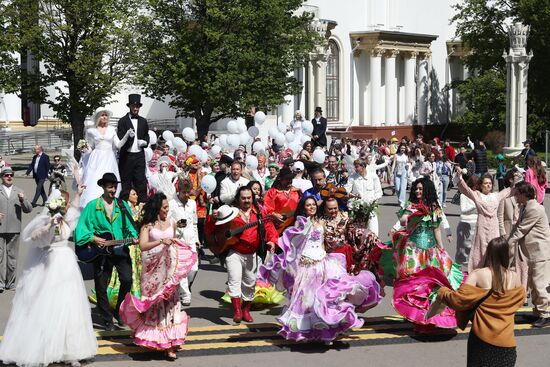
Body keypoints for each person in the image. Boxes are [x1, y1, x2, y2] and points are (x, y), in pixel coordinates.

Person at [259, 197, 381, 342]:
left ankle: (326, 331)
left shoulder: (322, 222)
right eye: (308, 205)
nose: (311, 207)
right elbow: (294, 245)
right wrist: (292, 264)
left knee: (322, 298)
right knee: (305, 300)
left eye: (313, 205)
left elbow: (327, 241)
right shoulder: (300, 222)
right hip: (306, 265)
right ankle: (307, 331)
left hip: (323, 263)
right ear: (303, 208)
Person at [0, 185, 97, 367]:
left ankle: (70, 351)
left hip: (67, 264)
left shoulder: (67, 220)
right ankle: (46, 347)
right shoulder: (48, 219)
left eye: (67, 204)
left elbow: (75, 210)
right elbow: (33, 237)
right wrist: (50, 225)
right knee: (50, 305)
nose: (68, 207)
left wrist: (79, 193)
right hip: (51, 264)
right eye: (65, 203)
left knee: (70, 305)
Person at [120, 193, 197, 360]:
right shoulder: (147, 226)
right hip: (153, 272)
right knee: (156, 305)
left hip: (170, 271)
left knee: (172, 304)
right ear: (156, 208)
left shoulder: (172, 223)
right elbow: (143, 245)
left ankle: (171, 345)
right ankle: (157, 340)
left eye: (167, 207)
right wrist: (161, 242)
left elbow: (174, 243)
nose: (167, 210)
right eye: (164, 208)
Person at [386, 177, 464, 331]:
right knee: (415, 287)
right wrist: (409, 216)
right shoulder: (411, 205)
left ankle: (431, 318)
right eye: (416, 189)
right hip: (413, 252)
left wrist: (441, 248)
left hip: (431, 251)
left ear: (427, 190)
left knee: (433, 287)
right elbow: (403, 221)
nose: (417, 191)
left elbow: (436, 229)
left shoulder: (434, 207)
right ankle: (418, 319)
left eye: (420, 189)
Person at [437, 236, 525, 367]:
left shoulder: (478, 275)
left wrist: (442, 292)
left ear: (488, 253)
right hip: (507, 343)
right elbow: (520, 300)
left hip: (482, 340)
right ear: (506, 254)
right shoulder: (515, 278)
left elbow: (458, 300)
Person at [74, 172, 139, 331]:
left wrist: (134, 238)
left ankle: (117, 310)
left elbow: (130, 228)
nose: (113, 190)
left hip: (120, 250)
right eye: (110, 187)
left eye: (115, 187)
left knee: (127, 280)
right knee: (101, 286)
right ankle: (106, 318)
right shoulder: (92, 206)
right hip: (101, 252)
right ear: (103, 187)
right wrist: (93, 238)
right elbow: (80, 229)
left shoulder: (122, 205)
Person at [209, 187, 278, 323]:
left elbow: (269, 227)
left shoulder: (259, 212)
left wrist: (272, 241)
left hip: (252, 254)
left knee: (250, 283)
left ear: (252, 198)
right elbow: (215, 228)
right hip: (234, 252)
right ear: (238, 199)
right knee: (234, 280)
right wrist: (213, 217)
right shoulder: (231, 212)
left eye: (248, 197)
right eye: (243, 198)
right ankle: (237, 311)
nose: (246, 200)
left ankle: (246, 310)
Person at [507, 182, 550, 327]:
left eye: (517, 194)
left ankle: (545, 314)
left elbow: (521, 230)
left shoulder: (535, 209)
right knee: (533, 283)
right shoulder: (525, 206)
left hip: (539, 252)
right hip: (531, 252)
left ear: (524, 194)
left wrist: (507, 244)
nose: (515, 196)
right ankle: (538, 312)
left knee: (539, 284)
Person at [454, 170, 513, 273]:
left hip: (494, 228)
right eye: (486, 183)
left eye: (490, 183)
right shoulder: (477, 195)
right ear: (481, 185)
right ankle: (479, 273)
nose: (488, 185)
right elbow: (465, 189)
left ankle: (494, 274)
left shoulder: (496, 196)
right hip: (481, 226)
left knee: (494, 250)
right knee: (480, 250)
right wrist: (459, 177)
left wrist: (517, 179)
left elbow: (509, 191)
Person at [80, 107, 134, 208]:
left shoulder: (112, 129)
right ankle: (93, 206)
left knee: (110, 180)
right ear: (98, 117)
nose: (104, 117)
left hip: (109, 158)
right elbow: (90, 147)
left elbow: (118, 145)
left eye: (106, 115)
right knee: (93, 180)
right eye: (102, 115)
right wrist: (84, 149)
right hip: (96, 158)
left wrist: (126, 135)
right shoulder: (91, 131)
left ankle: (110, 203)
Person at [0, 167, 33, 292]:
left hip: (14, 228)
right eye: (6, 175)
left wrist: (22, 199)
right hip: (0, 228)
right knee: (0, 257)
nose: (9, 177)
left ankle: (11, 282)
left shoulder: (19, 191)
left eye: (11, 175)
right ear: (2, 177)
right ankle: (0, 283)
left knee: (12, 257)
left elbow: (28, 209)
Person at [169, 178, 200, 306]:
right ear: (179, 191)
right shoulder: (171, 204)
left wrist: (197, 239)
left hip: (191, 239)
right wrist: (176, 225)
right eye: (184, 192)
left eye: (189, 192)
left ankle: (186, 286)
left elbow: (194, 223)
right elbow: (166, 222)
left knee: (193, 268)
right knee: (181, 268)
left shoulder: (192, 203)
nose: (187, 195)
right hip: (178, 240)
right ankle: (185, 294)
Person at [497, 169, 528, 292]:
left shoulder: (524, 197)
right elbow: (499, 216)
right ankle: (504, 283)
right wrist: (502, 232)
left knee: (519, 261)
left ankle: (518, 285)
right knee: (507, 260)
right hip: (508, 231)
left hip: (520, 232)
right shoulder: (504, 197)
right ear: (511, 180)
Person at [117, 94, 150, 203]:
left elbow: (146, 136)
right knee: (125, 182)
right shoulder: (122, 121)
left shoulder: (143, 121)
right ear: (130, 106)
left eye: (137, 106)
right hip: (127, 156)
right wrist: (127, 137)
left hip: (139, 155)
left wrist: (145, 142)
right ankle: (124, 207)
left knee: (141, 182)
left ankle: (142, 207)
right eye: (133, 106)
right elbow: (119, 139)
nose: (135, 108)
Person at [346, 158, 384, 235]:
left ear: (363, 166)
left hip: (370, 207)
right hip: (357, 207)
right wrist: (349, 194)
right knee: (357, 229)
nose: (355, 169)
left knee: (372, 228)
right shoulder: (352, 177)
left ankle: (373, 242)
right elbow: (347, 188)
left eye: (357, 167)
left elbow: (379, 192)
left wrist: (371, 201)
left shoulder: (373, 176)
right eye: (355, 167)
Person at [263, 168, 300, 234]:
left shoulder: (297, 192)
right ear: (280, 180)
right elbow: (266, 208)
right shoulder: (272, 192)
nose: (289, 181)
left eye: (290, 179)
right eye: (287, 179)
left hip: (294, 227)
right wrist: (274, 215)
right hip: (278, 227)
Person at [455, 175, 479, 272]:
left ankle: (472, 271)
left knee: (474, 249)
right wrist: (475, 205)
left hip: (477, 223)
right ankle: (458, 270)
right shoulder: (463, 195)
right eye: (475, 186)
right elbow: (463, 210)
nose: (476, 188)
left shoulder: (478, 194)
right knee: (462, 249)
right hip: (465, 223)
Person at [392, 143, 410, 207]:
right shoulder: (396, 155)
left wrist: (408, 169)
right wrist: (391, 172)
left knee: (403, 187)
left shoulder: (406, 156)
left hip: (404, 172)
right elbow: (394, 164)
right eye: (402, 148)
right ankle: (400, 198)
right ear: (399, 148)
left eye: (404, 148)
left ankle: (402, 201)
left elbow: (408, 164)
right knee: (397, 188)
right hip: (397, 172)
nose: (403, 149)